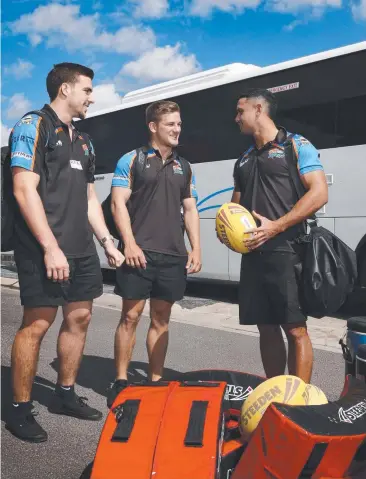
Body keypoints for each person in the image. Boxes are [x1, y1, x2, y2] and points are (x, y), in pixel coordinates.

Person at [6, 63, 124, 443]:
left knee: (80, 318)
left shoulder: (85, 141)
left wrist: (107, 241)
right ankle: (20, 409)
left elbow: (90, 198)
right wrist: (50, 247)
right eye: (87, 90)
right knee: (37, 324)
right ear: (65, 90)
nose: (91, 96)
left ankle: (65, 394)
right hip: (43, 247)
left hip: (81, 249)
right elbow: (24, 190)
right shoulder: (32, 125)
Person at [107, 100, 201, 408]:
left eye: (179, 124)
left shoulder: (184, 167)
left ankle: (156, 382)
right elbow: (117, 203)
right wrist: (129, 243)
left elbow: (190, 209)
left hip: (173, 256)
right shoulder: (131, 160)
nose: (177, 129)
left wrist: (195, 248)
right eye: (171, 124)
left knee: (161, 319)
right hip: (139, 253)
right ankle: (120, 380)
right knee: (130, 317)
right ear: (153, 127)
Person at [231, 88, 328, 383]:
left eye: (240, 111)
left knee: (296, 328)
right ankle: (275, 392)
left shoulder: (296, 146)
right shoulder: (244, 159)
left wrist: (277, 225)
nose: (236, 118)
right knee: (266, 326)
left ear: (259, 109)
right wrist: (227, 227)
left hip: (288, 249)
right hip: (253, 254)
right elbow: (234, 207)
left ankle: (299, 401)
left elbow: (320, 193)